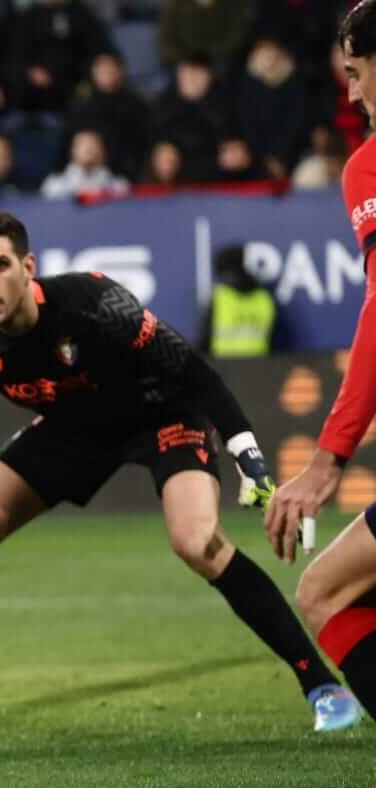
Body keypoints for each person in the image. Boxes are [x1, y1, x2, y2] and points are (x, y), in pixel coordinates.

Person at [0, 210, 358, 734]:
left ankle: (321, 685)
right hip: (74, 428)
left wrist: (247, 455)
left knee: (196, 541)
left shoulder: (92, 302)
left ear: (27, 266)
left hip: (160, 415)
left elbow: (193, 371)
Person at [266, 0, 376, 720]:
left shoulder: (369, 169)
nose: (353, 93)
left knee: (325, 590)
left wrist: (330, 455)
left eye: (358, 72)